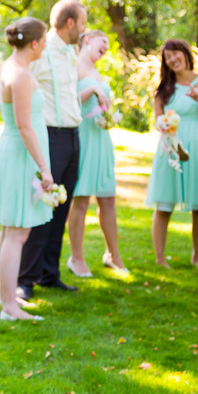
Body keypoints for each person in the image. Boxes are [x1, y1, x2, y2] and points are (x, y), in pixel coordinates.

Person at [17, 0, 89, 301]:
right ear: (70, 23)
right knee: (42, 205)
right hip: (49, 136)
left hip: (73, 135)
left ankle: (50, 273)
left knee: (62, 206)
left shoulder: (72, 52)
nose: (84, 30)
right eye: (83, 23)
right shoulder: (41, 52)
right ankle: (25, 279)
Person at [0, 17, 54, 321]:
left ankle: (7, 297)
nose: (45, 46)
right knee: (17, 233)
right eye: (45, 41)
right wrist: (45, 168)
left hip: (12, 152)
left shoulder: (9, 66)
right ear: (35, 43)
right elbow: (25, 125)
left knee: (9, 229)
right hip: (20, 156)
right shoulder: (22, 75)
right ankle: (10, 307)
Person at [146, 39, 198, 270]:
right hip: (171, 147)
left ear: (186, 54)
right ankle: (160, 259)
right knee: (164, 203)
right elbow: (158, 120)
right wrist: (164, 125)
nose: (172, 59)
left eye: (175, 54)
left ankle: (196, 258)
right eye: (167, 57)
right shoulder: (163, 89)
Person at [66, 30, 127, 278]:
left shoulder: (97, 72)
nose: (106, 48)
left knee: (108, 198)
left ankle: (113, 255)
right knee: (80, 200)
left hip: (101, 139)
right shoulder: (72, 68)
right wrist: (91, 92)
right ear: (88, 39)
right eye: (103, 43)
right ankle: (76, 258)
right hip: (83, 138)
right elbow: (67, 101)